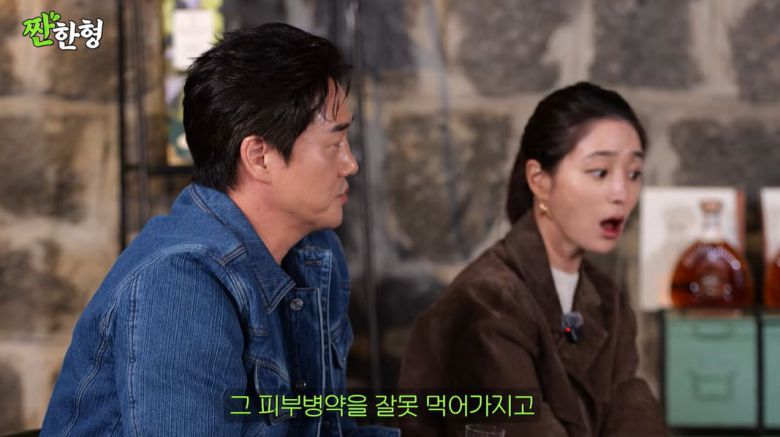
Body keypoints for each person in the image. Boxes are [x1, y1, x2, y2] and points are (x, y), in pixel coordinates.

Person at [42, 23, 397, 436]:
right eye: (335, 144)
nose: (351, 164)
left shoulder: (314, 252)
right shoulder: (179, 283)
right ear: (260, 157)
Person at [398, 82, 668, 436]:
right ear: (539, 180)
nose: (621, 193)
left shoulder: (607, 300)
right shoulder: (487, 300)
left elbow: (631, 412)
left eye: (633, 174)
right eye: (600, 172)